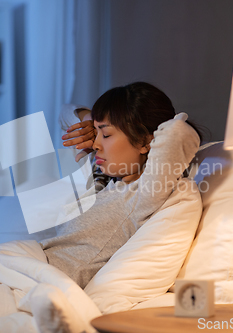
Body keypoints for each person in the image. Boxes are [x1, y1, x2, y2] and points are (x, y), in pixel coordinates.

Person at [40, 82, 202, 288]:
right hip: (35, 268)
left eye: (105, 135)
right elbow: (64, 112)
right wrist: (91, 122)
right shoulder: (103, 178)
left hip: (50, 283)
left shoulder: (143, 193)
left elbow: (178, 131)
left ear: (146, 142)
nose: (96, 144)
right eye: (96, 134)